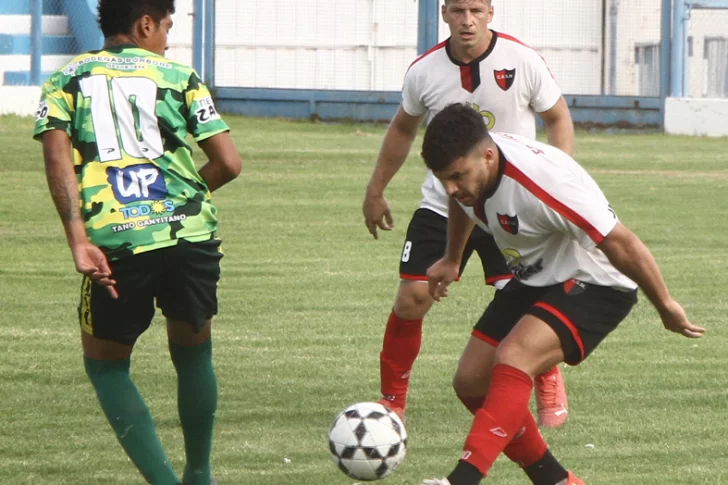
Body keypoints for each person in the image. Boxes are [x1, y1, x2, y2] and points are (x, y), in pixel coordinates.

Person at [419, 103, 705, 485]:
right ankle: (555, 480)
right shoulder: (475, 170)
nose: (451, 189)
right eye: (444, 180)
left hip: (599, 281)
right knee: (471, 382)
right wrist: (452, 259)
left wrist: (665, 305)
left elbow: (622, 243)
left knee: (514, 356)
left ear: (488, 156)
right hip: (537, 275)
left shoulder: (544, 183)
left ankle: (463, 480)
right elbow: (463, 201)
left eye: (457, 176)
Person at [33, 1, 241, 484]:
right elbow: (229, 162)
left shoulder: (66, 79)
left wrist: (77, 238)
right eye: (167, 26)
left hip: (115, 243)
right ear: (146, 23)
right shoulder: (179, 76)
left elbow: (56, 162)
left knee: (106, 367)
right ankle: (199, 474)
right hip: (189, 238)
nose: (168, 37)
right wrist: (177, 203)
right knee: (193, 354)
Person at [362, 0, 575, 428]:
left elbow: (558, 117)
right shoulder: (424, 70)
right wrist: (376, 189)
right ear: (444, 13)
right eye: (458, 10)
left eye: (476, 9)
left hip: (509, 206)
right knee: (412, 298)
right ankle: (392, 401)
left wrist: (554, 176)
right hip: (446, 202)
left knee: (522, 300)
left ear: (491, 12)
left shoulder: (522, 59)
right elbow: (403, 128)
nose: (467, 20)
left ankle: (546, 373)